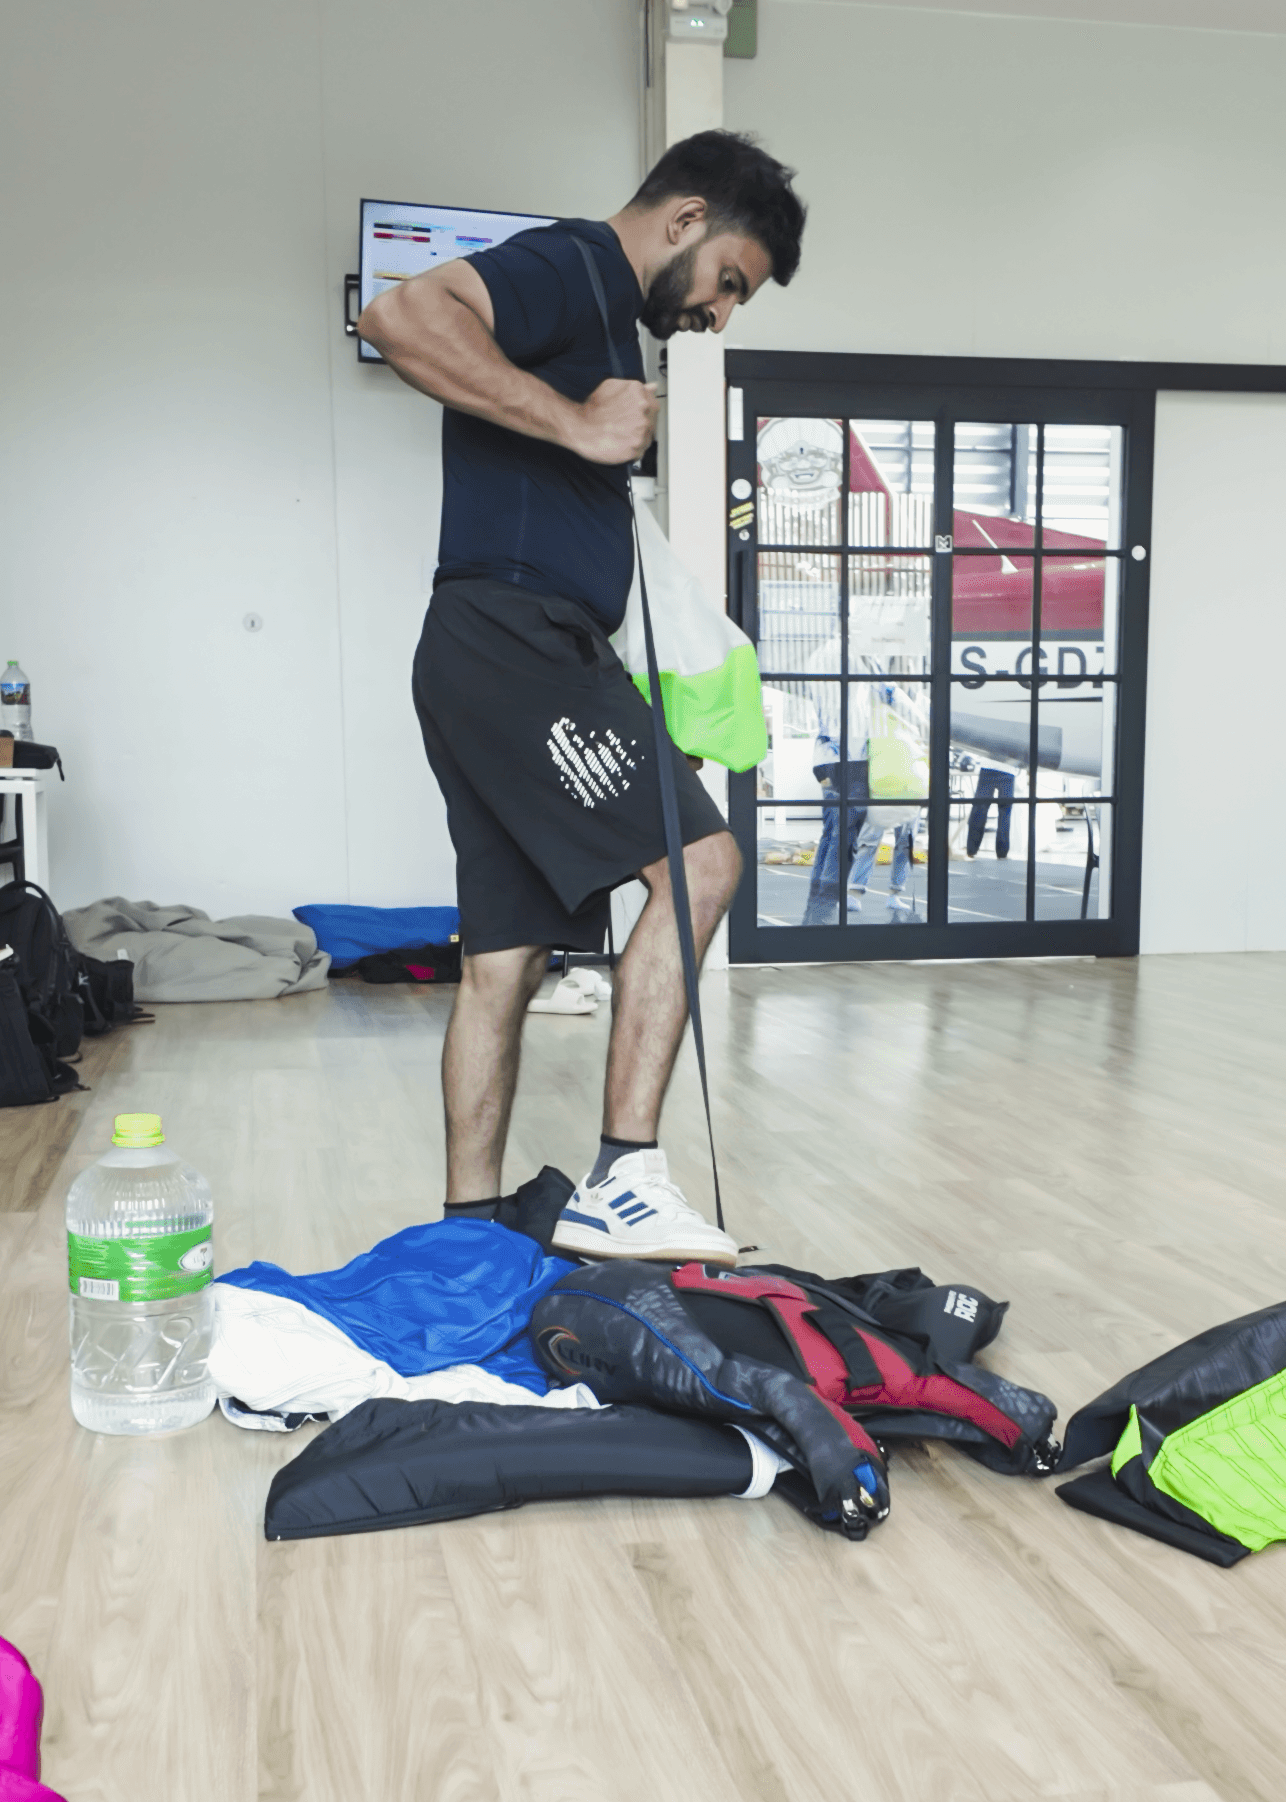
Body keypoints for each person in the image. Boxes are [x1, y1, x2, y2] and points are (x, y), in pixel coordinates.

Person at [357, 131, 807, 1264]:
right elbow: (399, 315)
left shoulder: (609, 320)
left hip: (489, 644)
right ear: (684, 219)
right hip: (517, 640)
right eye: (729, 282)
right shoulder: (575, 265)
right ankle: (625, 1175)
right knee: (703, 863)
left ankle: (466, 1232)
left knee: (502, 957)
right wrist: (576, 424)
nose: (719, 314)